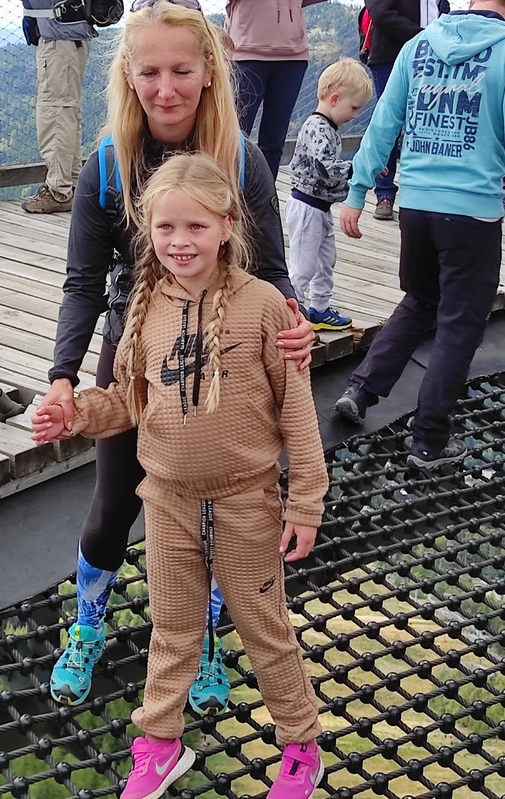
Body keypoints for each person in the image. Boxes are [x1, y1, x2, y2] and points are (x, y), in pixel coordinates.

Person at [39, 0, 316, 714]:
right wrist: (64, 377)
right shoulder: (109, 167)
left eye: (182, 71)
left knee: (218, 506)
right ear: (129, 76)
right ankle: (89, 624)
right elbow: (83, 283)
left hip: (227, 351)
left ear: (209, 72)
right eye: (150, 72)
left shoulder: (240, 159)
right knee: (113, 501)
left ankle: (207, 641)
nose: (166, 90)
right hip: (136, 348)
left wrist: (294, 324)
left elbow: (273, 270)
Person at [31, 151, 328, 799]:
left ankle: (301, 745)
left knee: (265, 629)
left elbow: (298, 412)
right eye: (165, 227)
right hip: (166, 498)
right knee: (171, 627)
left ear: (227, 226)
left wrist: (305, 502)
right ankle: (161, 743)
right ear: (148, 231)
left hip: (245, 499)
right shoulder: (145, 310)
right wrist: (76, 413)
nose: (179, 241)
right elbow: (128, 403)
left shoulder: (263, 307)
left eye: (196, 226)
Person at [333, 0, 505, 470]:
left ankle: (360, 390)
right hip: (472, 211)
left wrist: (358, 190)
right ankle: (429, 440)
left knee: (420, 300)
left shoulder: (420, 44)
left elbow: (384, 123)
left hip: (416, 205)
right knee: (460, 325)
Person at [285, 58, 373, 331]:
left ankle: (320, 309)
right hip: (306, 207)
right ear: (334, 99)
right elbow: (324, 168)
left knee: (325, 261)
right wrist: (356, 168)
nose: (355, 116)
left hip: (321, 207)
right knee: (303, 266)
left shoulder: (329, 128)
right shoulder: (318, 127)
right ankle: (292, 313)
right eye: (354, 108)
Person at [364, 0, 450, 221]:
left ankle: (428, 190)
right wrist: (424, 36)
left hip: (436, 54)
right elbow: (381, 13)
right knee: (388, 124)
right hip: (392, 54)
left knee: (431, 121)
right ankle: (384, 193)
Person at [20, 0, 96, 214]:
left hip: (58, 38)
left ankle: (58, 191)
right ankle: (71, 184)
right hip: (70, 35)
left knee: (54, 113)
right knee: (66, 112)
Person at [225, 0, 311, 180]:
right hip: (246, 52)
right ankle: (228, 193)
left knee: (274, 141)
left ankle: (267, 196)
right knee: (233, 137)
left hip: (292, 56)